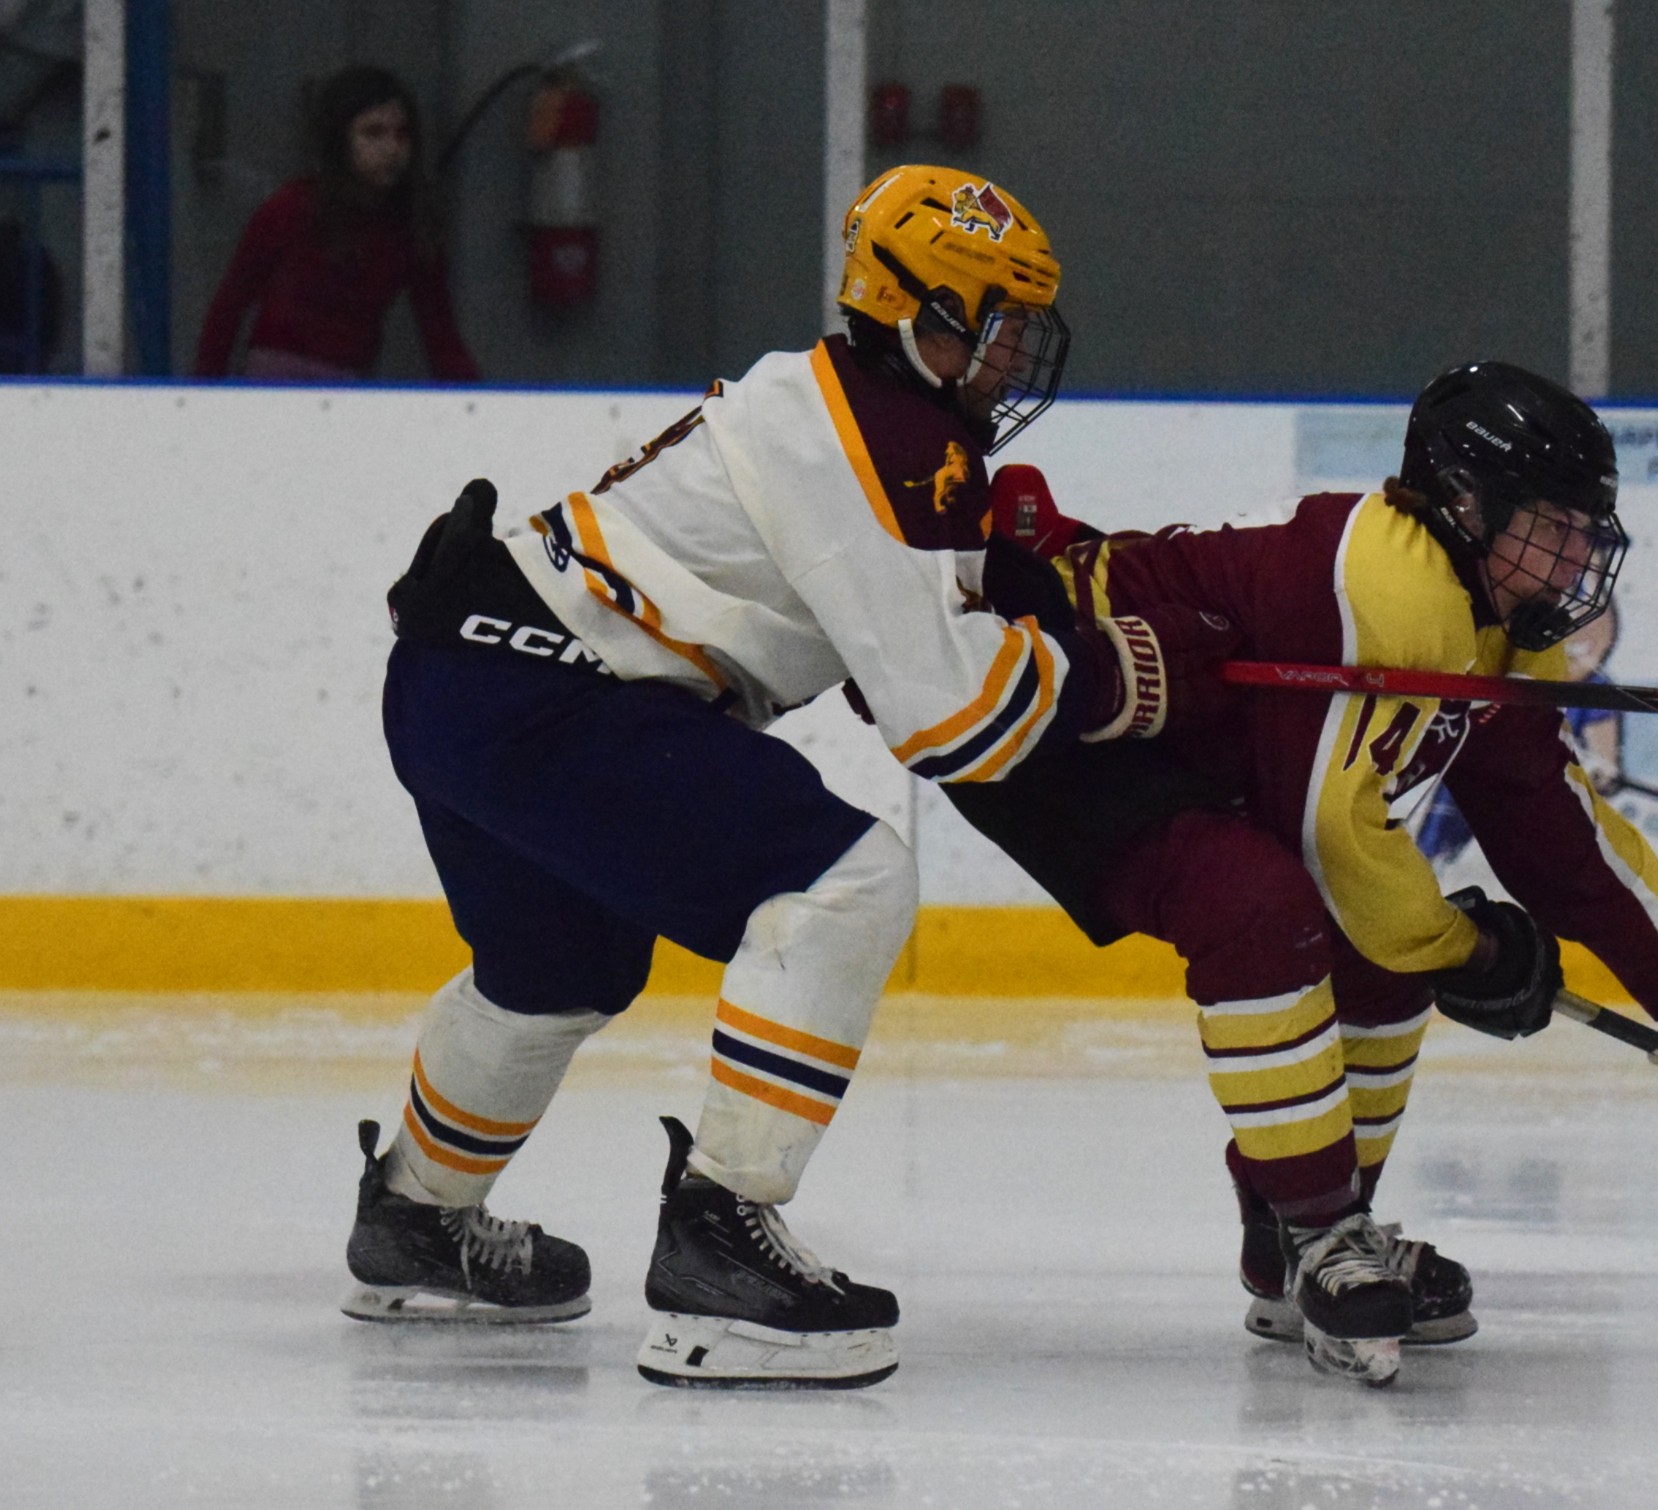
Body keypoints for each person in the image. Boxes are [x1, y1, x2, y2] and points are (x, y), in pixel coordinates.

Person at [342, 164, 1227, 1390]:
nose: (1016, 358)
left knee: (556, 970)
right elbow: (959, 721)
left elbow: (885, 641)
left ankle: (414, 1218)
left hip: (458, 678)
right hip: (549, 692)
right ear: (916, 310)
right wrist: (1121, 669)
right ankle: (719, 1241)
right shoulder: (886, 438)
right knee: (847, 884)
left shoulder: (832, 401)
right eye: (999, 324)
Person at [960, 363, 1658, 1385]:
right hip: (1064, 711)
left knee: (1380, 944)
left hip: (1183, 742)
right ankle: (1316, 1235)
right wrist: (1473, 947)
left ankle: (1310, 1239)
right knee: (1273, 912)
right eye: (1554, 524)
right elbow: (1333, 839)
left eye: (1590, 527)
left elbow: (1562, 838)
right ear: (1466, 504)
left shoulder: (1490, 618)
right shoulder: (1391, 593)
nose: (1581, 553)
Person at [195, 66, 479, 382]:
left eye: (403, 134)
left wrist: (481, 412)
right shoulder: (289, 210)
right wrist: (201, 402)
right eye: (373, 133)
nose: (392, 149)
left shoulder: (410, 226)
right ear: (338, 139)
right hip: (274, 387)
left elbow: (441, 335)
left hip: (350, 389)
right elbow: (227, 310)